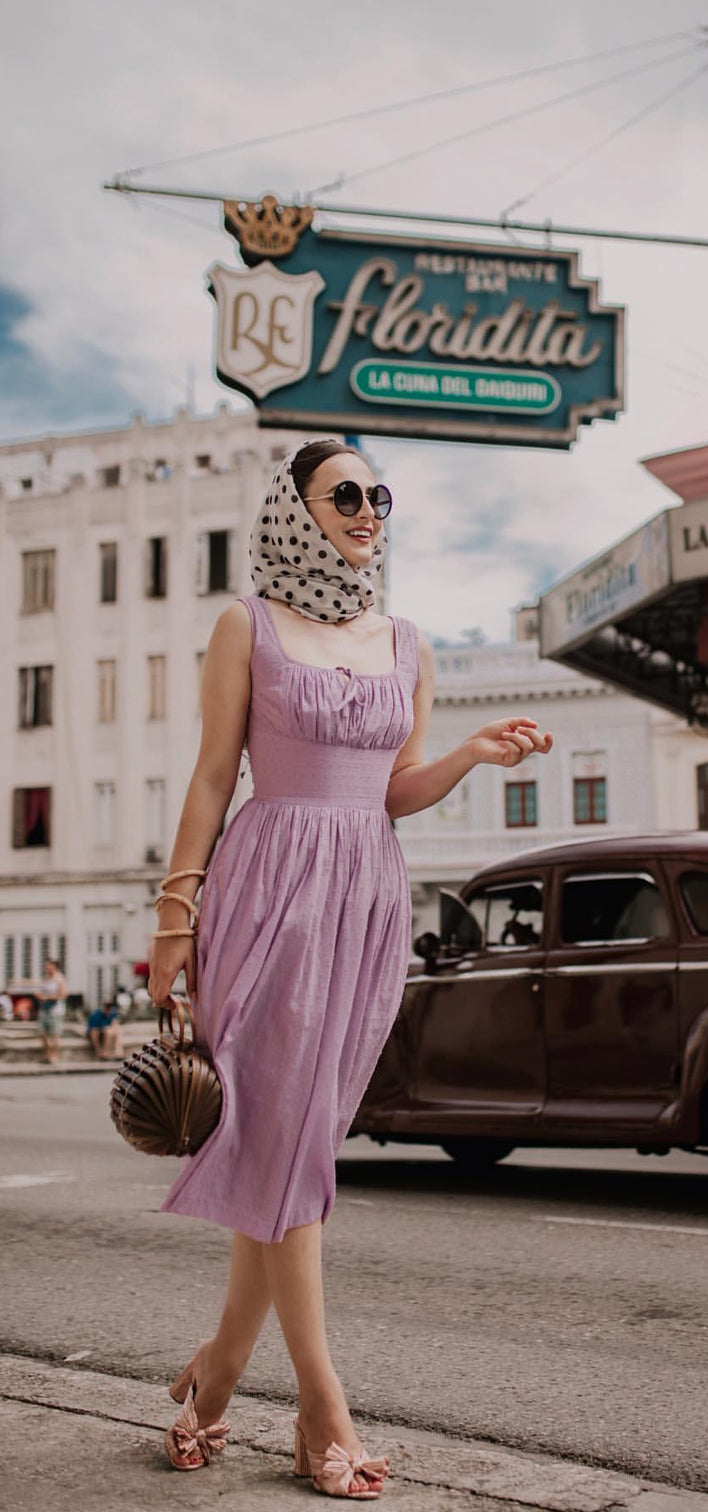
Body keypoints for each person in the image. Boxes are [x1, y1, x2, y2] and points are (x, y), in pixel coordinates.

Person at [149, 438, 553, 1498]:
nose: (369, 509)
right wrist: (173, 915)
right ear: (297, 508)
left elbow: (391, 790)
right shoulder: (248, 624)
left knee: (292, 1146)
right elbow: (208, 777)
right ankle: (323, 1411)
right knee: (288, 1151)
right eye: (346, 494)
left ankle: (217, 1377)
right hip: (267, 892)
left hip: (364, 902)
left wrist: (470, 756)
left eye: (380, 494)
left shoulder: (406, 641)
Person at [37, 959, 68, 1065]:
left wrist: (48, 998)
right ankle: (47, 1055)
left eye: (48, 966)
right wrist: (40, 996)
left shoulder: (59, 979)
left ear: (54, 967)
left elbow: (63, 994)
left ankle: (54, 1056)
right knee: (43, 1034)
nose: (46, 968)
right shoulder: (45, 979)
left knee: (55, 1034)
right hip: (44, 1009)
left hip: (55, 1010)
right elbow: (41, 991)